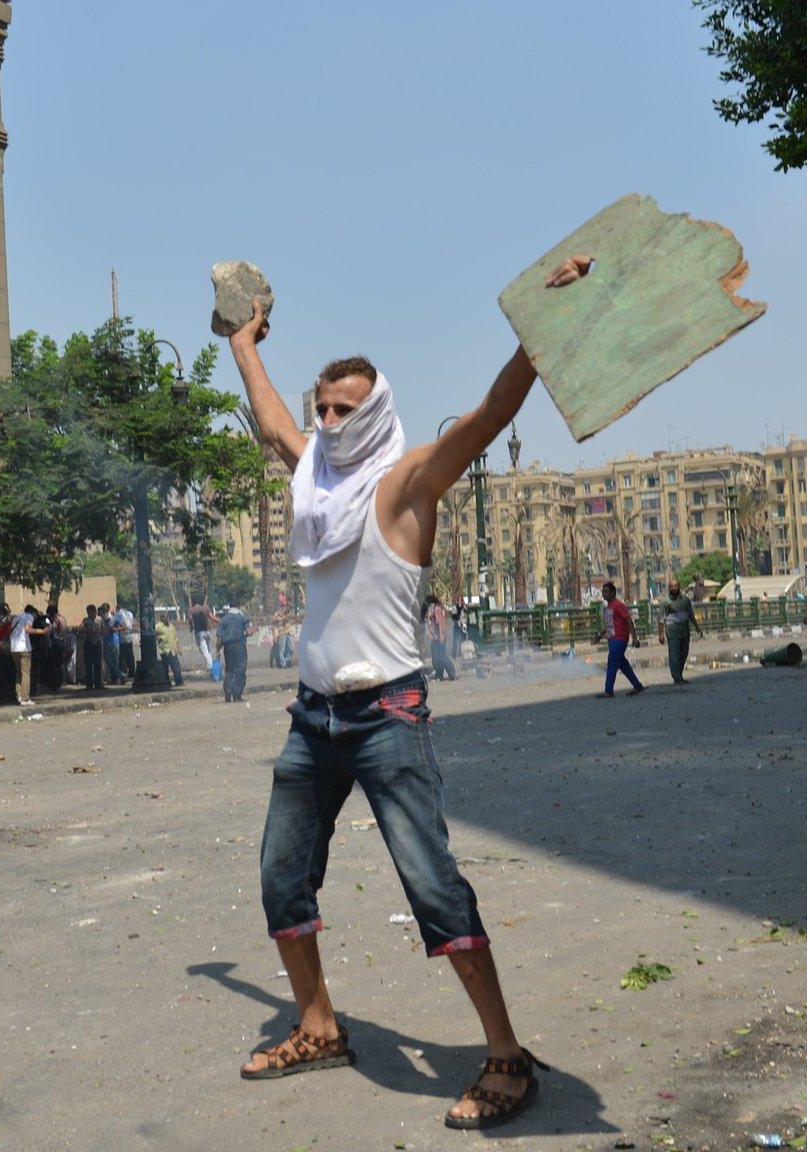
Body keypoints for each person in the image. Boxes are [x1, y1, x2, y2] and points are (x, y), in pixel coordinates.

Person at [226, 260, 582, 1127]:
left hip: (387, 716)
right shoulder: (315, 486)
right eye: (325, 407)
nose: (328, 420)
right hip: (314, 720)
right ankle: (319, 1026)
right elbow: (274, 423)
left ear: (377, 411)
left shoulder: (409, 483)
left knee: (432, 887)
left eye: (346, 408)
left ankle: (507, 1056)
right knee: (281, 879)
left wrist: (536, 333)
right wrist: (242, 343)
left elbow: (492, 415)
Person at [660, 579, 703, 685]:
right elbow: (661, 619)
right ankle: (677, 678)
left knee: (683, 653)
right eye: (671, 587)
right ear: (669, 588)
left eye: (675, 586)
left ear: (679, 587)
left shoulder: (685, 600)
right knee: (674, 655)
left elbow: (691, 615)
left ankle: (679, 674)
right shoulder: (665, 602)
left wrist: (697, 628)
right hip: (672, 632)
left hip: (684, 631)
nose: (673, 588)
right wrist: (661, 634)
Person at [216, 602, 254, 702]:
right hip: (239, 646)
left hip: (228, 647)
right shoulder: (242, 618)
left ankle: (228, 692)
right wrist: (254, 630)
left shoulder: (223, 620)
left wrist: (218, 649)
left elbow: (219, 638)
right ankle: (237, 694)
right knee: (240, 670)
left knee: (229, 669)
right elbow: (249, 632)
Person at [10, 603, 39, 707]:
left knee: (18, 672)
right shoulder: (29, 616)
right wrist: (42, 631)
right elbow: (28, 629)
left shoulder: (16, 618)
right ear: (33, 613)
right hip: (24, 648)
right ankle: (25, 698)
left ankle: (18, 695)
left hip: (13, 648)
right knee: (26, 673)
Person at [425, 594, 458, 681]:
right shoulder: (435, 609)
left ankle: (451, 674)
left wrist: (440, 636)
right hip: (436, 637)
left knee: (440, 658)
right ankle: (440, 675)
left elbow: (439, 623)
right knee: (438, 658)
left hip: (438, 637)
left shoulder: (436, 609)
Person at [78, 605, 106, 689]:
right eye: (87, 612)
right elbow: (80, 629)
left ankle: (98, 683)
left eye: (90, 612)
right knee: (88, 664)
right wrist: (86, 630)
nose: (89, 614)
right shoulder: (86, 620)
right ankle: (89, 684)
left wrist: (98, 631)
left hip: (97, 643)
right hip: (88, 643)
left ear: (94, 611)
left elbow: (104, 630)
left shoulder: (99, 619)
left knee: (97, 664)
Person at [155, 614, 185, 686]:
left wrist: (179, 648)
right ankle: (167, 682)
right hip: (165, 650)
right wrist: (159, 638)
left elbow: (176, 638)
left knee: (176, 666)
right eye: (166, 617)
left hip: (173, 650)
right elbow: (154, 634)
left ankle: (178, 682)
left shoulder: (171, 626)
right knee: (167, 667)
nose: (168, 619)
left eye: (168, 617)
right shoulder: (158, 626)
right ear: (162, 618)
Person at [191, 600, 217, 669]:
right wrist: (220, 622)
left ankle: (210, 667)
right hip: (207, 632)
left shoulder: (192, 610)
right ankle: (209, 666)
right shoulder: (205, 609)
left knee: (204, 651)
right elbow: (212, 617)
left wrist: (191, 628)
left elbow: (190, 620)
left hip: (199, 633)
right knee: (207, 650)